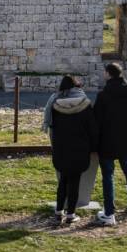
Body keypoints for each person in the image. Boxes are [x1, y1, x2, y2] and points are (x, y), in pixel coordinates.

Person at [94, 63, 127, 226]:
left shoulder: (103, 95)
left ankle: (109, 213)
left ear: (108, 74)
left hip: (107, 142)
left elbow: (96, 120)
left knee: (108, 176)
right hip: (126, 140)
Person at [42, 75, 98, 225]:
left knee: (63, 182)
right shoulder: (85, 103)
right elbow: (92, 128)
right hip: (80, 147)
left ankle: (58, 212)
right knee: (75, 182)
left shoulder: (54, 102)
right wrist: (94, 146)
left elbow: (52, 127)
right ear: (77, 86)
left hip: (61, 147)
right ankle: (71, 214)